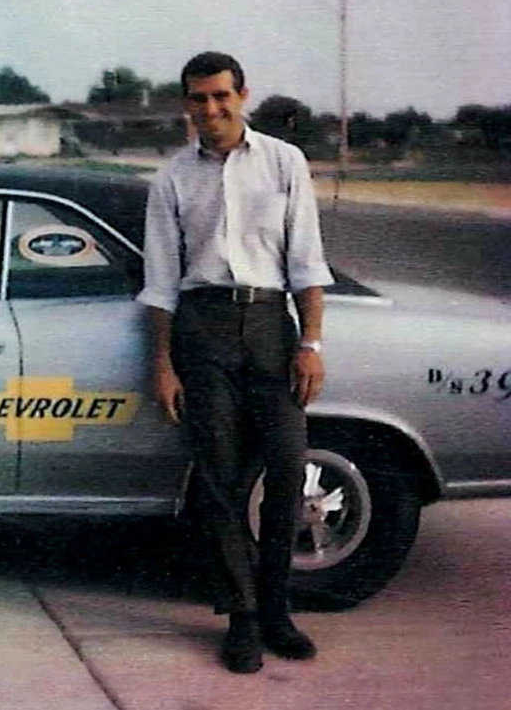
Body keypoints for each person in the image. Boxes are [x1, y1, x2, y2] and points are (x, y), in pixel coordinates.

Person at [137, 51, 334, 674]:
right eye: (199, 98)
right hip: (202, 327)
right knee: (219, 478)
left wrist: (312, 344)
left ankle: (278, 610)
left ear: (242, 95)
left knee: (287, 463)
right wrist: (164, 364)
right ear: (186, 104)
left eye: (222, 96)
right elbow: (163, 281)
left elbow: (306, 261)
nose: (211, 109)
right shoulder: (171, 177)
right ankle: (243, 618)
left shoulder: (284, 162)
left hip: (272, 326)